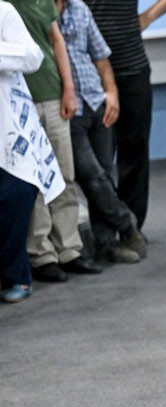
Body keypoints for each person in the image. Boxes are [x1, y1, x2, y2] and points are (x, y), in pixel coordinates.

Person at [13, 0, 100, 282]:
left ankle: (69, 248)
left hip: (52, 95)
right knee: (34, 180)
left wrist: (69, 89)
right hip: (19, 102)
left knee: (63, 174)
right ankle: (42, 254)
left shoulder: (43, 2)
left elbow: (57, 41)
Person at [57, 0, 144, 264]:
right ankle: (127, 223)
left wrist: (112, 93)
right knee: (91, 176)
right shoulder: (40, 12)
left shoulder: (80, 9)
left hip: (96, 100)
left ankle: (106, 244)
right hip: (68, 109)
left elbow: (101, 56)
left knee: (105, 174)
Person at [86, 0, 166, 235]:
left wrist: (148, 16)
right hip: (91, 76)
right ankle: (105, 233)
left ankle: (132, 229)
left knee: (134, 154)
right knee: (99, 161)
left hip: (132, 68)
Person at [2, 0, 65, 302]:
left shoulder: (4, 12)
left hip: (9, 132)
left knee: (17, 194)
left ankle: (17, 276)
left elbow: (33, 56)